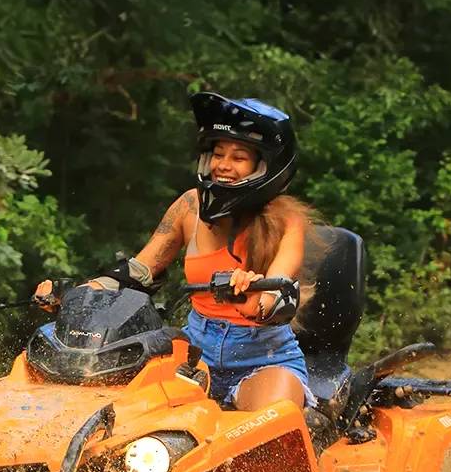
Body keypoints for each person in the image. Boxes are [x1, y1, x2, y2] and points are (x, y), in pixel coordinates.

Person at [35, 93, 316, 410]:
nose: (222, 165)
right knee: (126, 421)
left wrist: (249, 295)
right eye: (218, 154)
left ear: (265, 166)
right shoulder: (188, 206)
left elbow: (275, 297)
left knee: (271, 423)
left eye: (238, 157)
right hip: (192, 354)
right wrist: (76, 296)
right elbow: (137, 273)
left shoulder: (288, 221)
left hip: (263, 359)